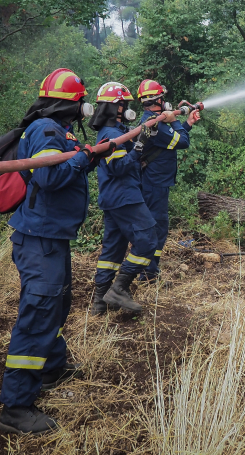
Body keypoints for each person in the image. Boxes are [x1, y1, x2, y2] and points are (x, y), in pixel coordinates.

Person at [0, 68, 105, 435]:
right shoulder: (45, 131)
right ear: (72, 104)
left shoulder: (58, 131)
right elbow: (47, 176)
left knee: (57, 305)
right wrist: (81, 157)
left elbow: (66, 167)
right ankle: (15, 408)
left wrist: (88, 155)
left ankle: (52, 367)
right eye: (81, 102)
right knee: (39, 314)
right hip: (39, 239)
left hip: (51, 237)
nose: (85, 108)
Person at [87, 82, 178, 315]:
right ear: (115, 108)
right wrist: (139, 147)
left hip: (114, 198)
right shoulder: (111, 134)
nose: (128, 109)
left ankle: (100, 302)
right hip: (125, 196)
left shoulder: (115, 131)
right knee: (148, 240)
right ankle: (119, 288)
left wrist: (146, 138)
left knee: (113, 251)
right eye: (125, 104)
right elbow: (118, 168)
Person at [135, 80, 200, 282]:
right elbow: (182, 142)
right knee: (157, 227)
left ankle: (150, 271)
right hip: (155, 184)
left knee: (157, 227)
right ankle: (148, 274)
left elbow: (170, 142)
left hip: (156, 182)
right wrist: (173, 121)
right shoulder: (155, 125)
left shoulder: (153, 120)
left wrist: (186, 123)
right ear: (159, 100)